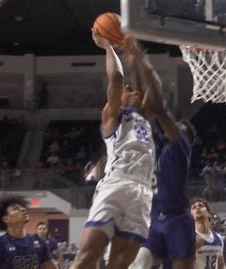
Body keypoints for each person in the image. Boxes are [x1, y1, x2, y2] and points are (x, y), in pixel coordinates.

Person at [72, 29, 157, 268]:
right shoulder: (113, 116)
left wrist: (136, 53)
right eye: (130, 90)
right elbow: (117, 78)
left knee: (120, 264)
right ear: (120, 98)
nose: (134, 90)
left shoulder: (146, 118)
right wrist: (108, 46)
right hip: (116, 184)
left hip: (143, 192)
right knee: (87, 257)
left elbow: (151, 86)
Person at [126, 35, 197, 269]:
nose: (176, 128)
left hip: (178, 221)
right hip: (155, 220)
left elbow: (158, 107)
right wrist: (135, 66)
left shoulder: (181, 148)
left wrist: (141, 59)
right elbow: (144, 109)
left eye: (180, 127)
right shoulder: (156, 144)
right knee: (138, 264)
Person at [0, 195, 56, 269]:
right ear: (5, 219)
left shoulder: (40, 241)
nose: (23, 209)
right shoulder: (0, 244)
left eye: (22, 207)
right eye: (15, 208)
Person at [191, 197, 226, 269]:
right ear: (191, 216)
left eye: (201, 206)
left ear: (209, 213)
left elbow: (221, 265)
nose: (197, 208)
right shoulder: (189, 238)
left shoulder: (218, 238)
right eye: (194, 207)